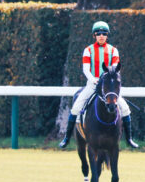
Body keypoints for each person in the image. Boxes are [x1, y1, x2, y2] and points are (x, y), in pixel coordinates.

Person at [59, 21, 139, 149]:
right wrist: (93, 80)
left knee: (125, 109)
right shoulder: (88, 50)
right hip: (93, 84)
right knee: (75, 108)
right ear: (94, 35)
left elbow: (114, 68)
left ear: (107, 35)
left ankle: (129, 139)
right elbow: (86, 69)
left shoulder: (113, 50)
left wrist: (105, 80)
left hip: (109, 86)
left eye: (104, 34)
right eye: (98, 33)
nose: (101, 36)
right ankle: (66, 138)